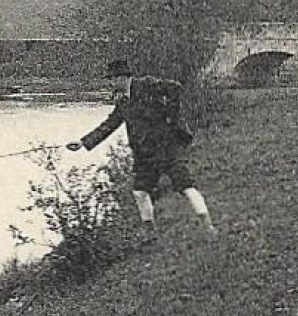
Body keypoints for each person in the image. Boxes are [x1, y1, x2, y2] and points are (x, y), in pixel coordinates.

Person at [65, 59, 217, 239]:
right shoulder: (123, 102)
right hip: (145, 154)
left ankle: (208, 227)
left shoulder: (146, 85)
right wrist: (83, 143)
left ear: (123, 78)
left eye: (113, 79)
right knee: (139, 192)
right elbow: (109, 125)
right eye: (110, 80)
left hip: (166, 147)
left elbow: (176, 87)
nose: (112, 83)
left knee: (185, 186)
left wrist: (170, 116)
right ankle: (150, 234)